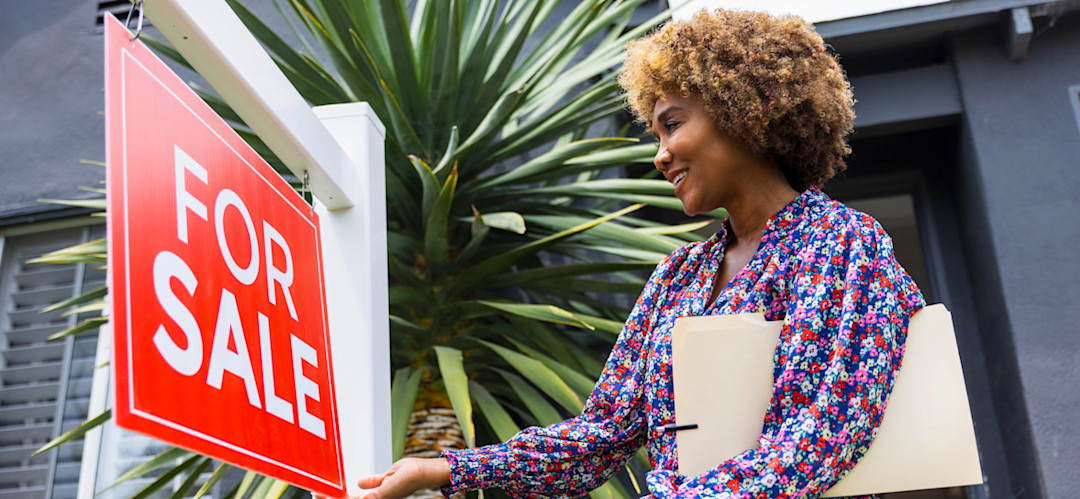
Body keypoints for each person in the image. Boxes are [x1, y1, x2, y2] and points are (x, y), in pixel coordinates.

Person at [348, 9, 924, 499]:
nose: (660, 155)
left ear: (748, 111)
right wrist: (445, 468)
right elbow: (600, 435)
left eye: (672, 125)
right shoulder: (678, 277)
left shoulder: (842, 243)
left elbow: (821, 435)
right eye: (655, 134)